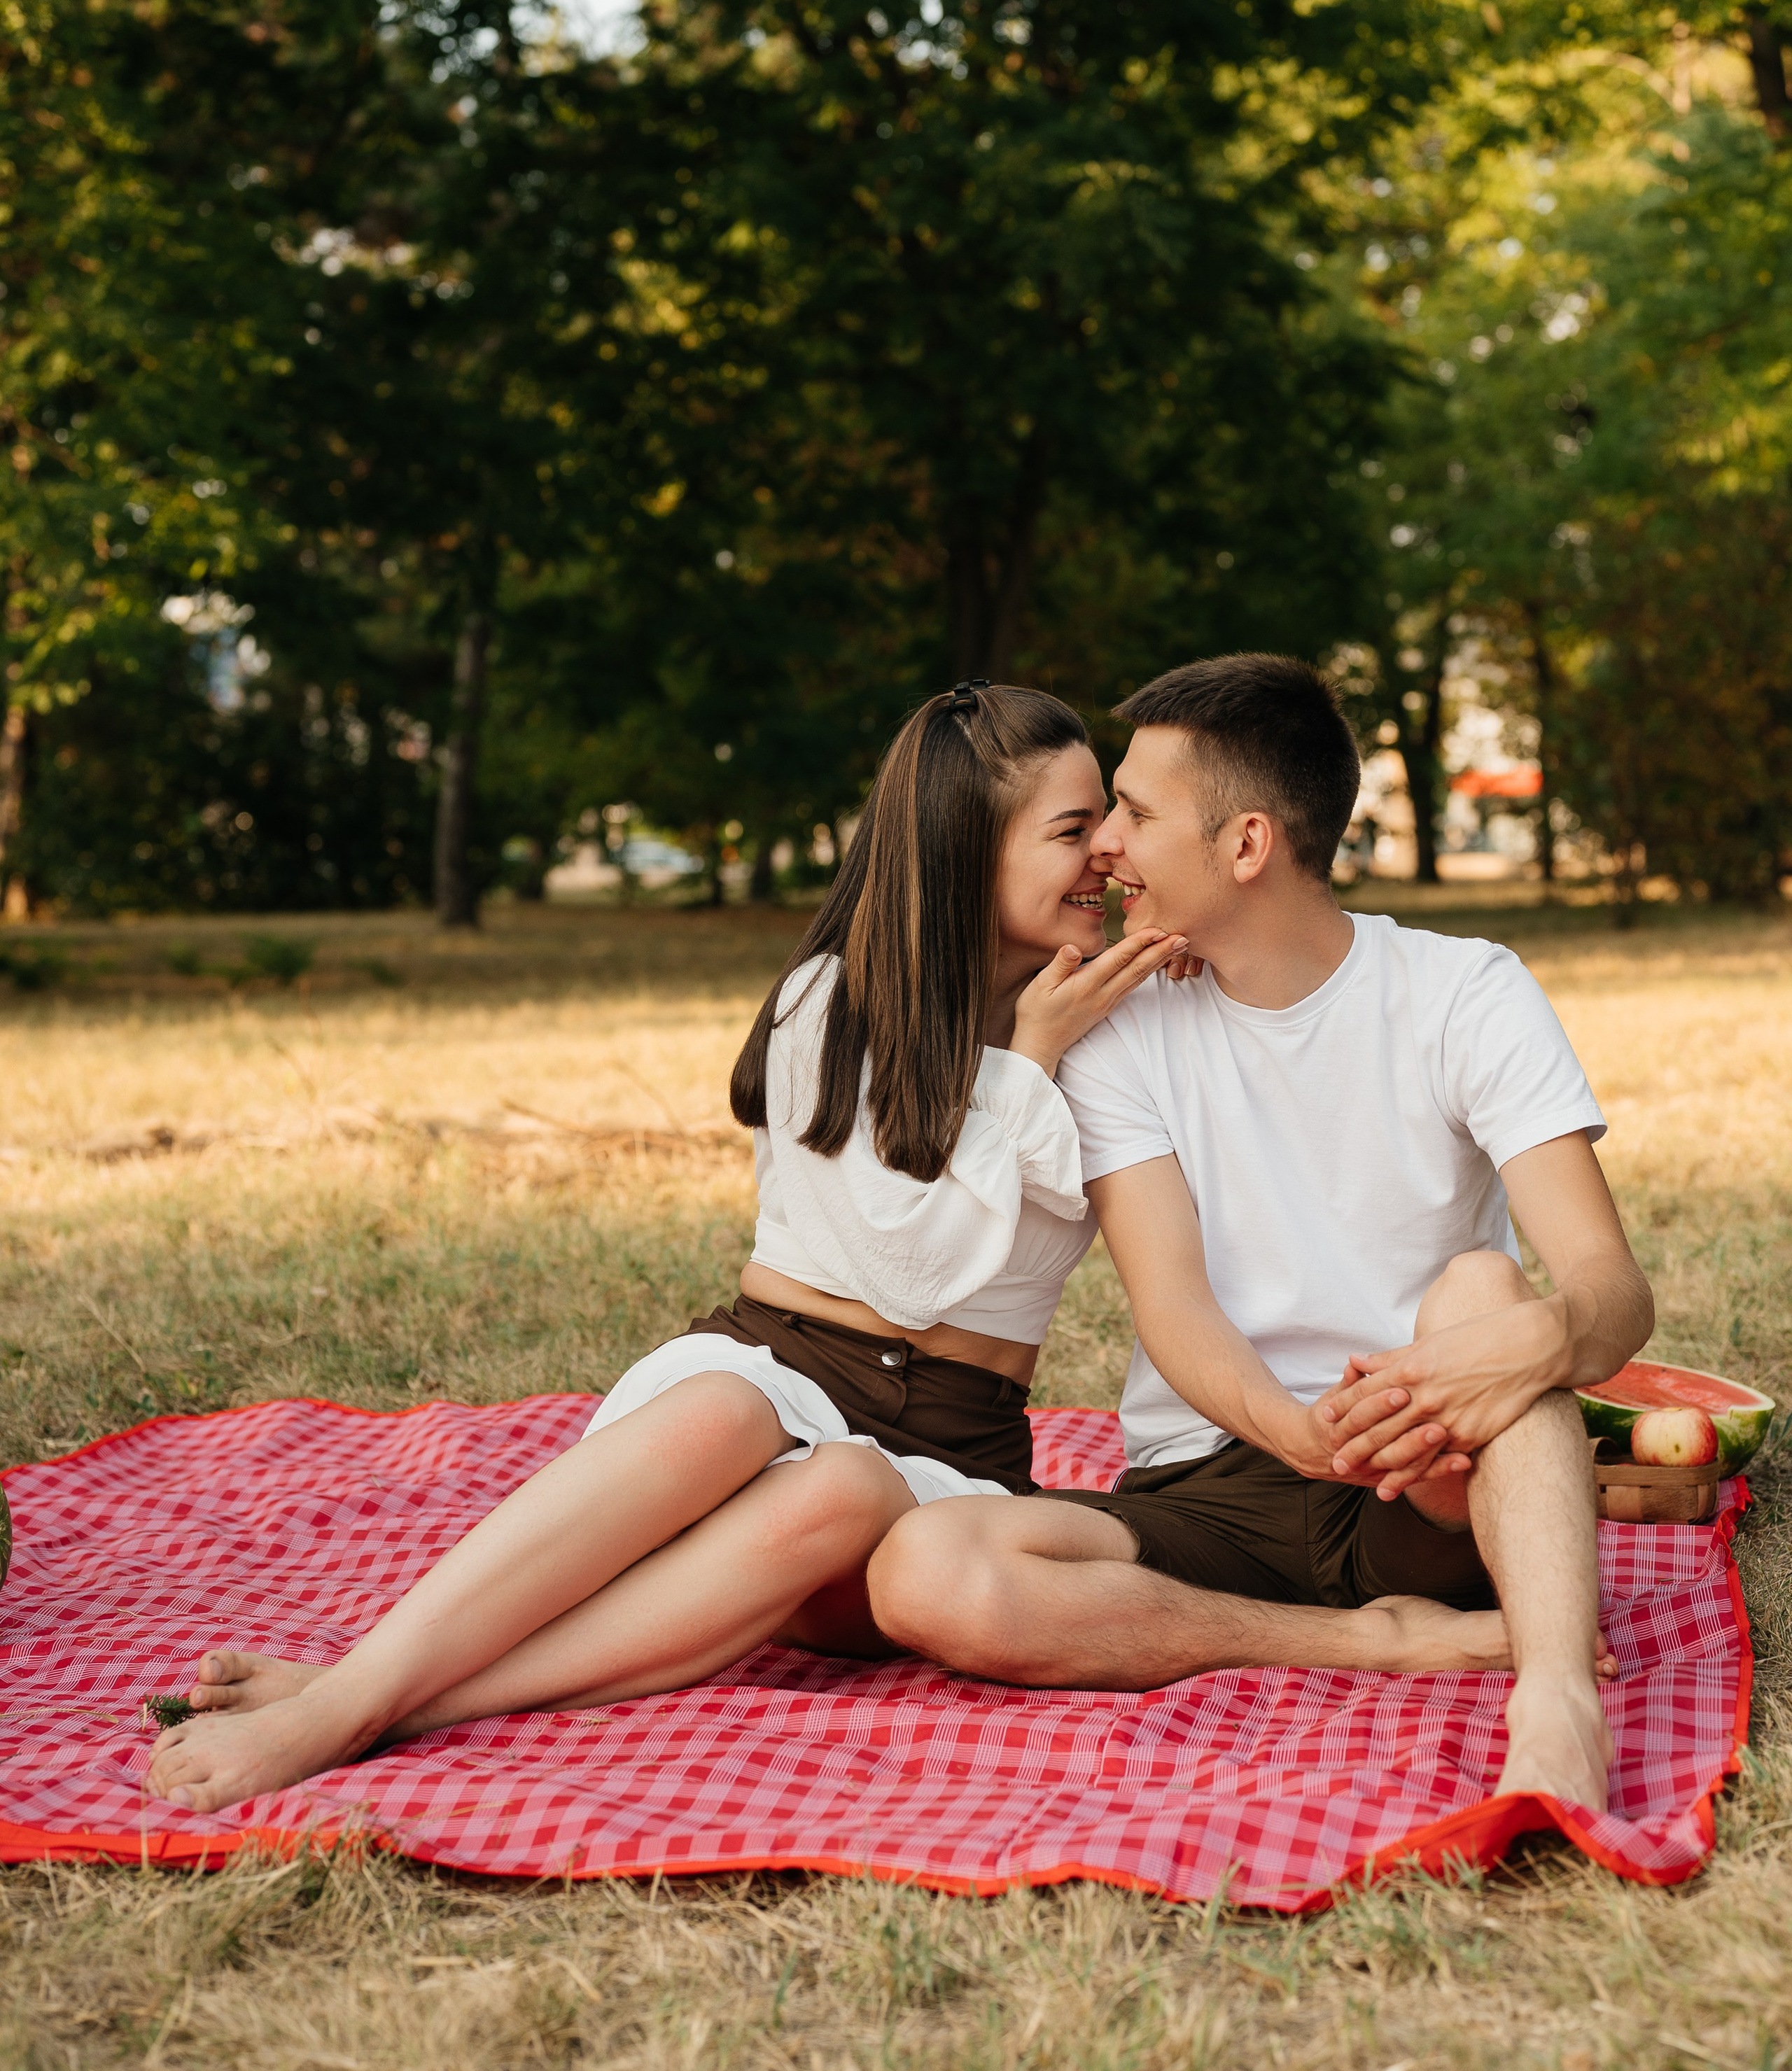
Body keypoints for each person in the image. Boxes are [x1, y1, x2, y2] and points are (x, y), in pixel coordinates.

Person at [147, 682, 1197, 1813]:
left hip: (947, 1452)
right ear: (962, 851)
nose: (1109, 853)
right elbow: (907, 1276)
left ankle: (376, 1697)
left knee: (843, 1486)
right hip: (771, 1369)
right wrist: (1024, 1065)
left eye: (1110, 821)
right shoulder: (830, 1007)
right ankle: (352, 1701)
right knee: (726, 1412)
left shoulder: (1117, 1028)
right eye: (1073, 828)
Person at [868, 654, 1652, 1816]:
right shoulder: (1122, 1033)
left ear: (1245, 846)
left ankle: (1554, 1702)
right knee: (924, 1571)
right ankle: (1385, 1644)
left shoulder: (1464, 993)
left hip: (1418, 1468)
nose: (1108, 847)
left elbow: (1611, 1292)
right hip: (1212, 1480)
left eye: (1134, 814)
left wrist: (1524, 1347)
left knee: (1489, 1288)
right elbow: (1173, 1306)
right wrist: (1298, 1432)